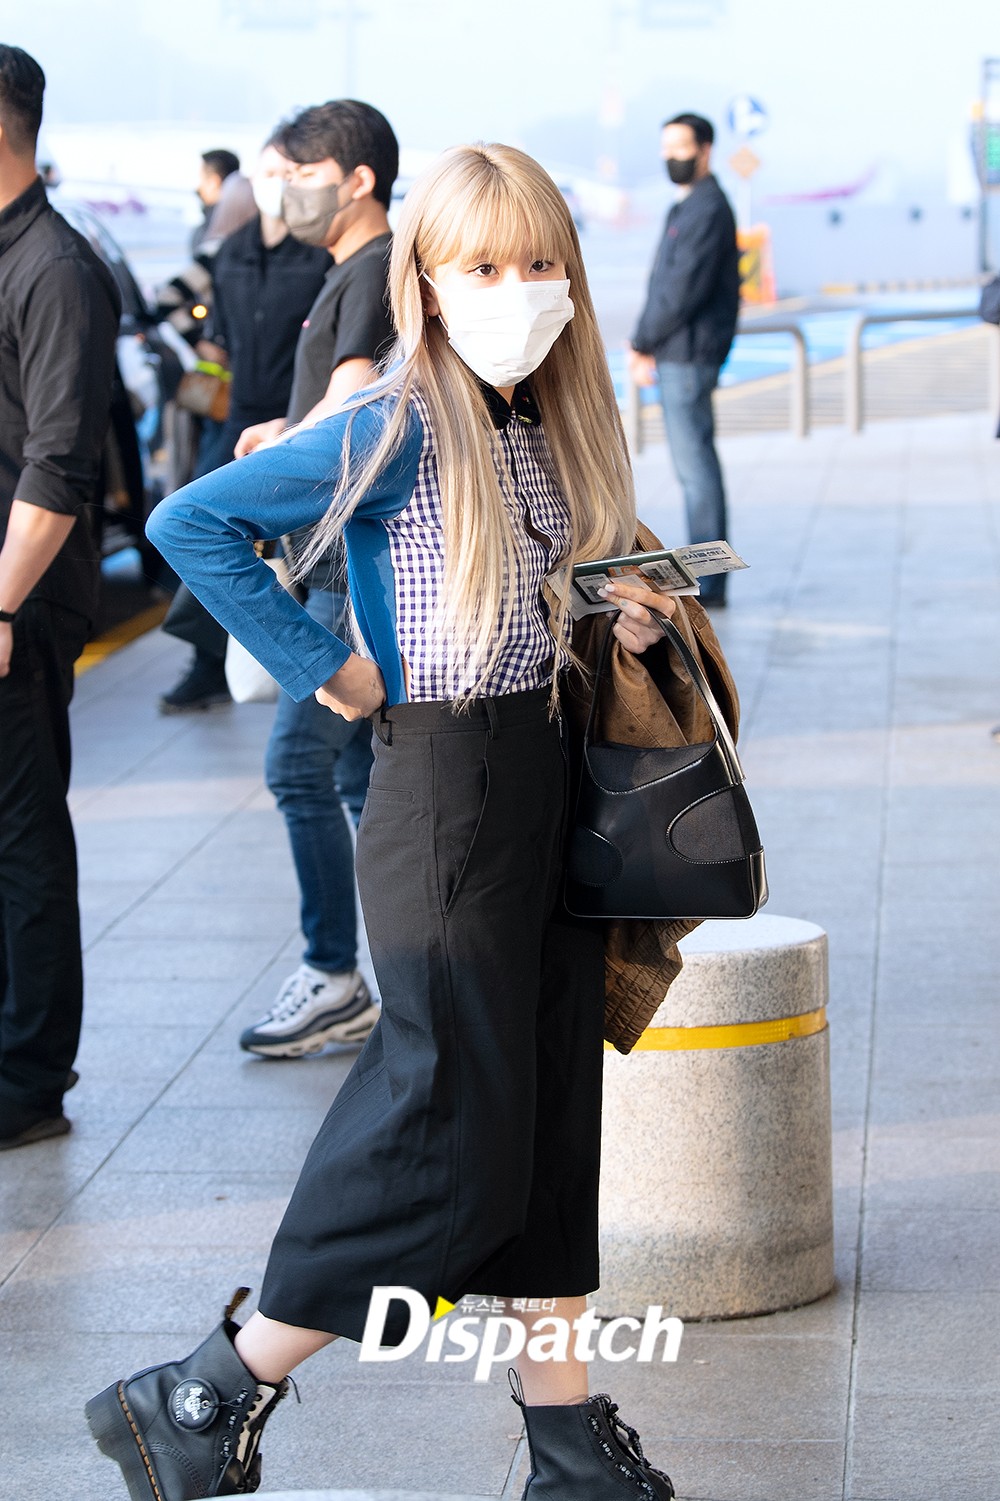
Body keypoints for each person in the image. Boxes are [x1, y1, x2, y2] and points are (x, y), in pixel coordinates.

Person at [86, 142, 681, 1500]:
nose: (519, 289)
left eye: (541, 262)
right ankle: (204, 1391)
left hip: (540, 778)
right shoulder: (399, 418)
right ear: (426, 277)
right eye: (485, 264)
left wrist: (625, 608)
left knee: (546, 1113)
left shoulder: (546, 419)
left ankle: (566, 1441)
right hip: (445, 792)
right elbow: (192, 523)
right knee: (444, 1118)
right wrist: (333, 671)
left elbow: (537, 594)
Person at [233, 99, 398, 1058]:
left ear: (357, 179)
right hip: (336, 558)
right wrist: (282, 432)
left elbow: (351, 402)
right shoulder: (348, 269)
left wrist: (284, 447)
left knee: (297, 765)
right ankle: (407, 969)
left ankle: (337, 974)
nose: (284, 192)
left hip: (342, 566)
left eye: (300, 174)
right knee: (352, 774)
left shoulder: (373, 267)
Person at [0, 45, 120, 1149]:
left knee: (23, 837)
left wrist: (0, 608)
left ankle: (29, 1079)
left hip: (19, 601)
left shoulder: (54, 267)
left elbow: (60, 463)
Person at [158, 138, 329, 715]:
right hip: (238, 420)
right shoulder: (230, 250)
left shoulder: (320, 256)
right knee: (203, 536)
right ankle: (208, 665)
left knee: (302, 554)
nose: (277, 183)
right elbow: (172, 302)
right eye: (268, 171)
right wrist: (209, 343)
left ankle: (312, 675)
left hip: (297, 422)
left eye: (290, 172)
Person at [629, 111, 740, 607]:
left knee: (696, 471)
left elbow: (680, 288)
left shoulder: (707, 208)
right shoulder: (691, 204)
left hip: (689, 354)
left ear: (705, 150)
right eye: (665, 148)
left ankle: (711, 580)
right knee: (696, 467)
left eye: (680, 148)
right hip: (682, 351)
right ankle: (709, 575)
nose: (670, 157)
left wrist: (642, 340)